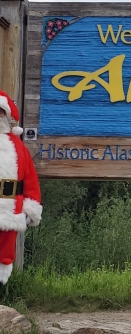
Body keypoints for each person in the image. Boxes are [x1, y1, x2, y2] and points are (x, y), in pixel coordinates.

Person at [0, 90, 42, 285]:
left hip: (11, 209)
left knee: (4, 257)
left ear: (7, 116)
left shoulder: (18, 147)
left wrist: (29, 210)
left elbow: (30, 180)